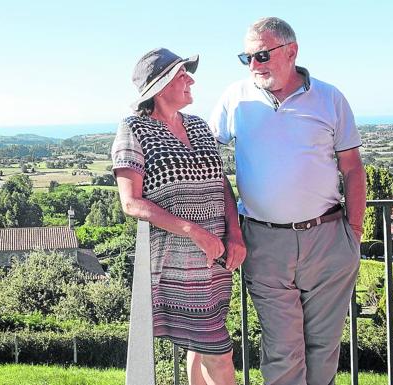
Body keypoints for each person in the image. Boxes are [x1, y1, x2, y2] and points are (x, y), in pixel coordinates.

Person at [209, 17, 366, 385]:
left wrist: (353, 234)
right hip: (265, 243)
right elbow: (207, 161)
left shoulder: (330, 98)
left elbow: (353, 168)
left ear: (291, 51)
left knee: (323, 349)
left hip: (328, 240)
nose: (253, 65)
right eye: (246, 57)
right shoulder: (235, 97)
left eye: (261, 55)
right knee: (282, 351)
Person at [112, 47, 246, 385]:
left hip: (216, 258)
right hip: (180, 265)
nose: (191, 79)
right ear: (159, 86)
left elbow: (221, 184)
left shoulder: (199, 126)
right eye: (182, 73)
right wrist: (193, 231)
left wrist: (235, 234)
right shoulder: (134, 130)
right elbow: (131, 203)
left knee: (199, 348)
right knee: (220, 352)